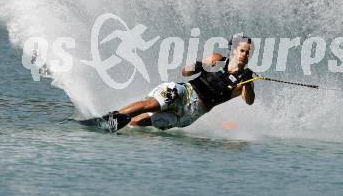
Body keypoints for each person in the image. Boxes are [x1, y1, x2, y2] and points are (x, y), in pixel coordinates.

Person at [98, 35, 255, 132]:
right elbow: (185, 72)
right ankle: (111, 117)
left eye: (248, 52)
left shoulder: (246, 79)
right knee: (153, 103)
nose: (245, 55)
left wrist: (247, 83)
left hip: (192, 113)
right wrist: (199, 64)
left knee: (140, 121)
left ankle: (115, 124)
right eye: (242, 50)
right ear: (234, 50)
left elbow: (249, 101)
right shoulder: (217, 59)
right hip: (183, 92)